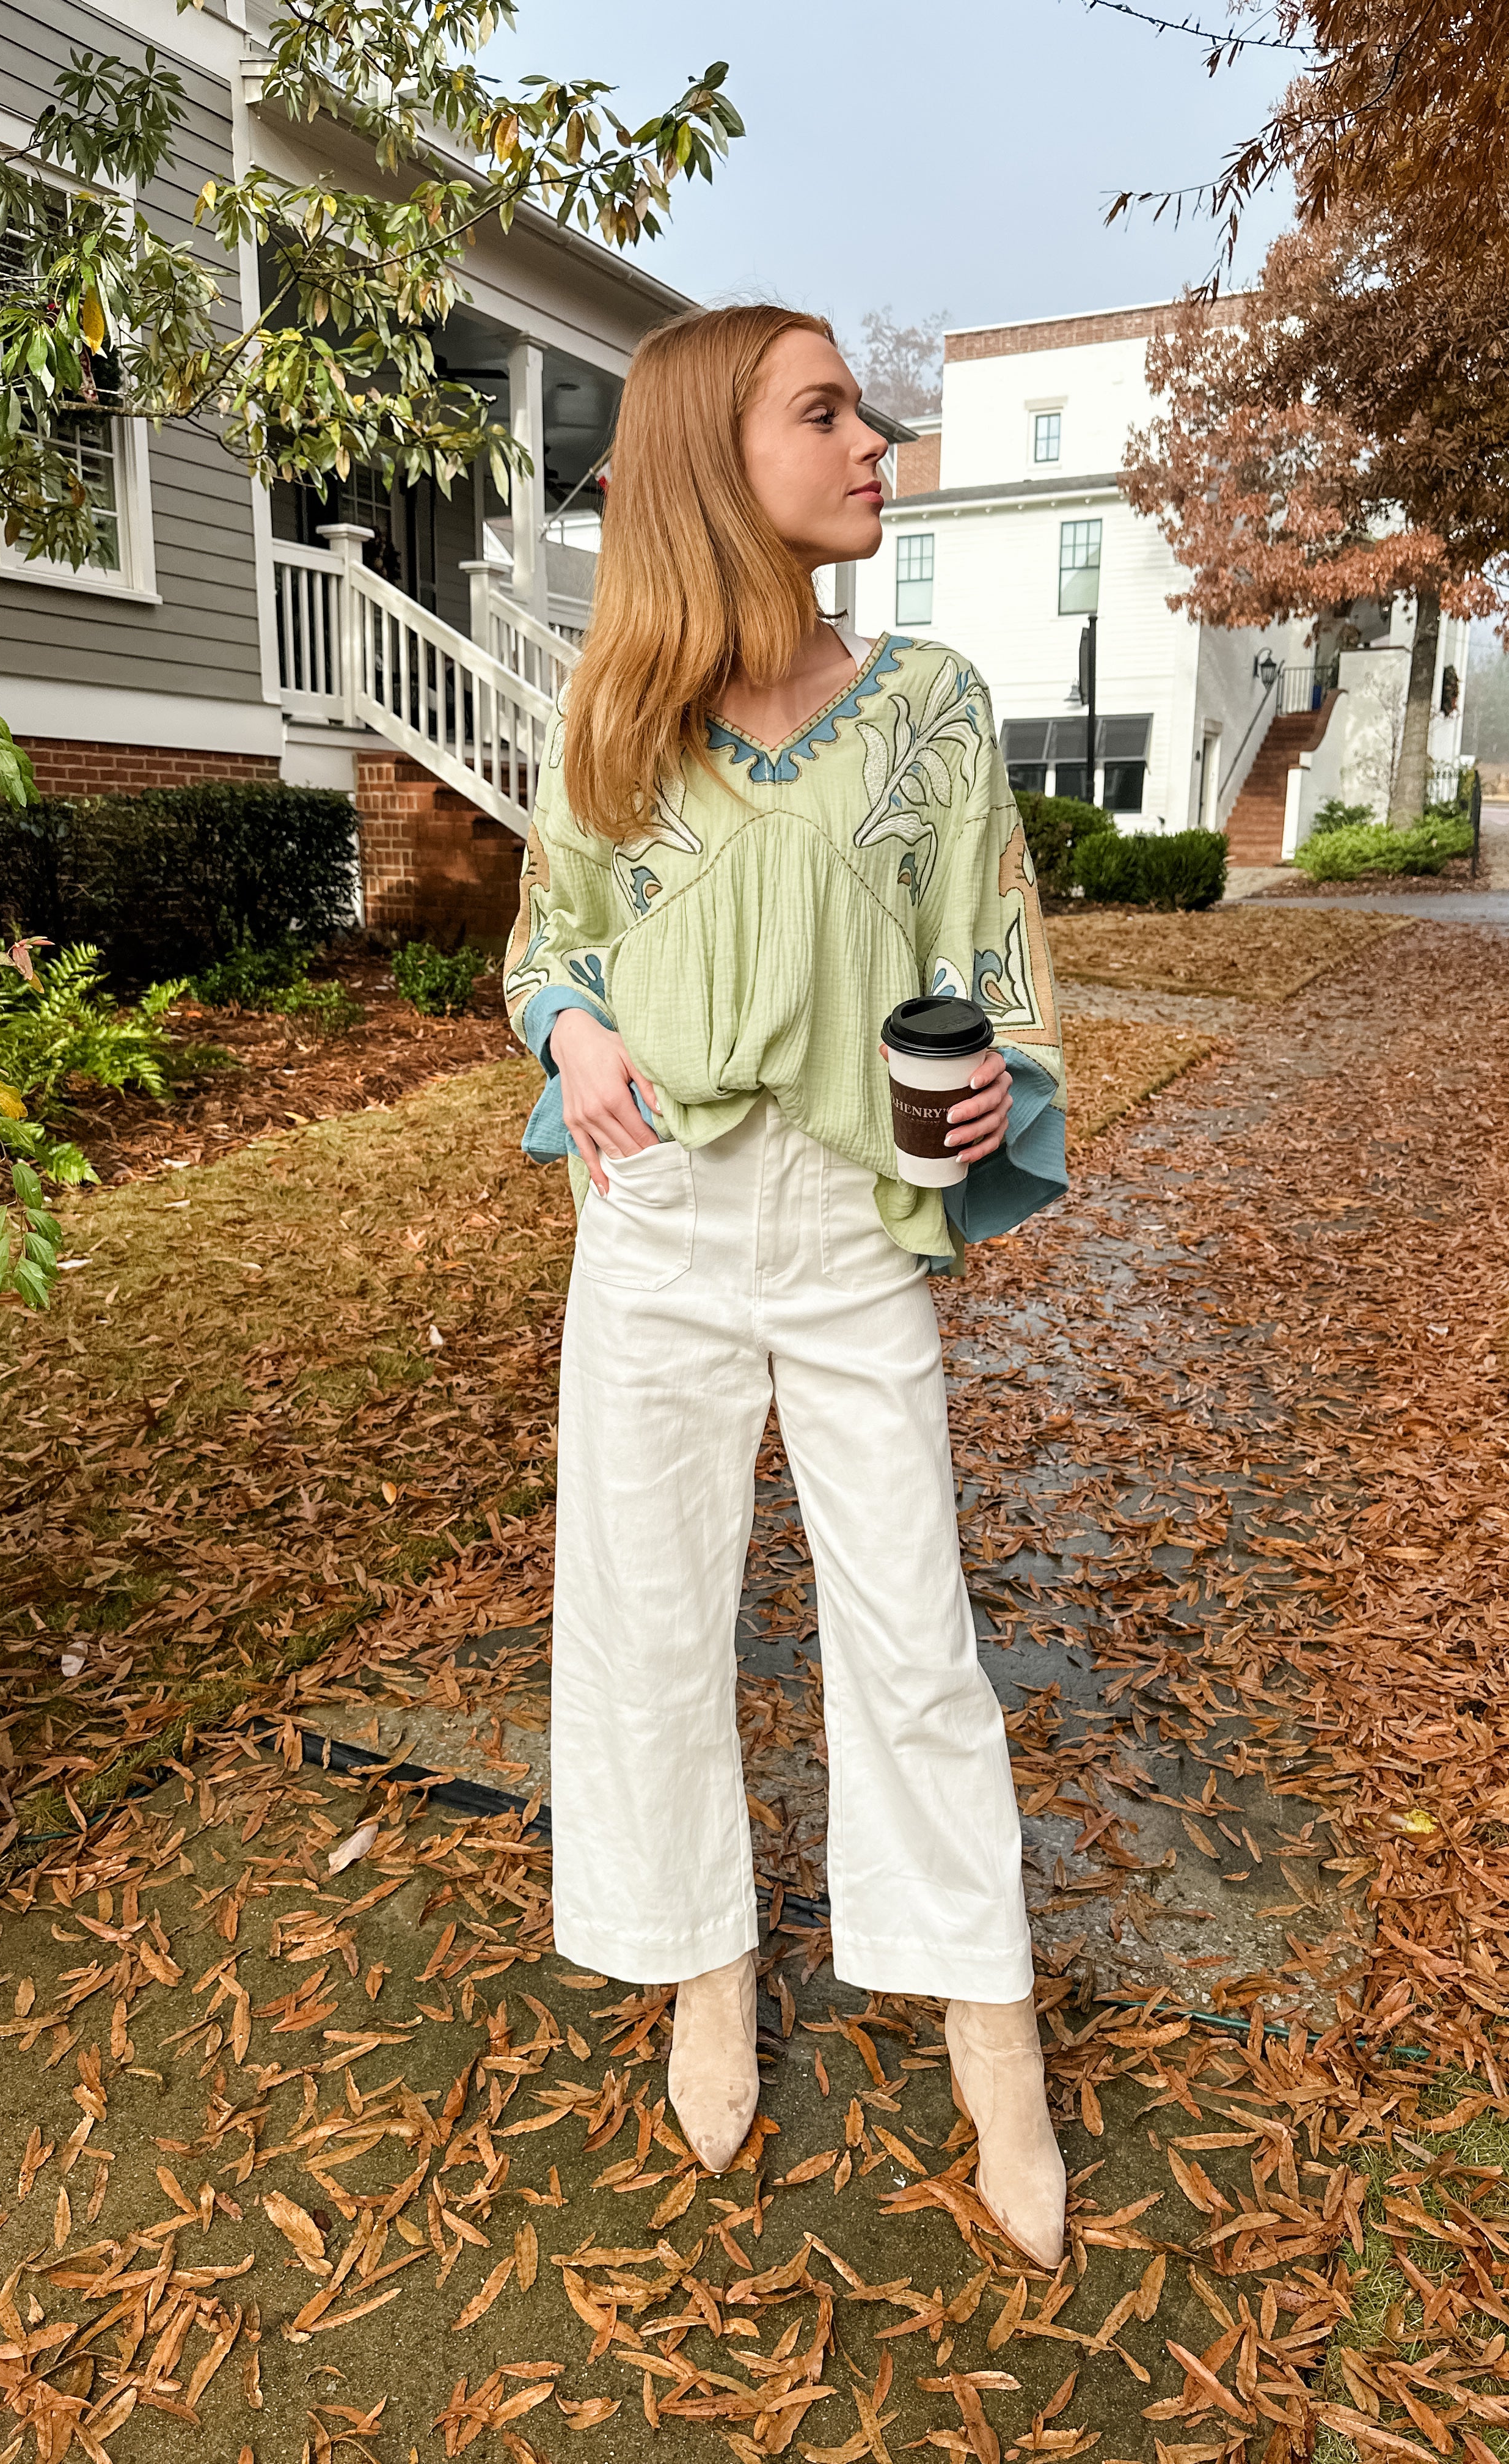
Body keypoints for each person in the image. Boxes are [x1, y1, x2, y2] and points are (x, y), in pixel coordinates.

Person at [502, 304, 1069, 2267]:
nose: (871, 444)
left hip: (844, 1228)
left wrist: (1001, 1084)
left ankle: (988, 2019)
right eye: (822, 413)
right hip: (653, 1220)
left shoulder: (931, 705)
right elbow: (544, 953)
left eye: (868, 413)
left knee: (908, 1630)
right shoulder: (611, 723)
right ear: (704, 458)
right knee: (647, 1624)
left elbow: (992, 961)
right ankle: (705, 1963)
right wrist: (571, 1043)